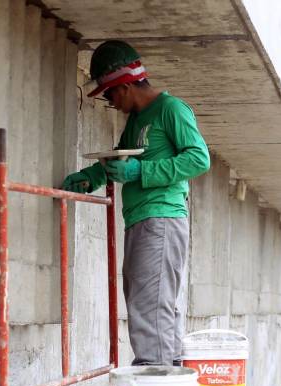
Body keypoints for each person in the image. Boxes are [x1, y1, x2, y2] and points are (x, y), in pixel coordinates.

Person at [61, 40, 210, 366]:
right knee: (152, 304)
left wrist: (141, 170)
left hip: (162, 217)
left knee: (149, 306)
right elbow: (119, 162)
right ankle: (167, 385)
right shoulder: (137, 121)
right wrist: (91, 176)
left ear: (126, 86)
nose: (112, 102)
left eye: (111, 95)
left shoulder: (171, 110)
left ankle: (154, 385)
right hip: (142, 219)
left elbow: (199, 159)